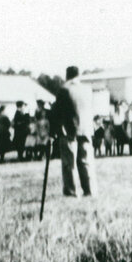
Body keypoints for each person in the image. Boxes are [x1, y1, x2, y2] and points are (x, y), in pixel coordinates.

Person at [50, 65, 97, 197]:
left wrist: (53, 131)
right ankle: (89, 190)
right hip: (86, 128)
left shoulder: (64, 89)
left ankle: (71, 191)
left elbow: (57, 112)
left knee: (69, 163)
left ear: (67, 75)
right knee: (85, 161)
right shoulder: (87, 89)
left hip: (69, 129)